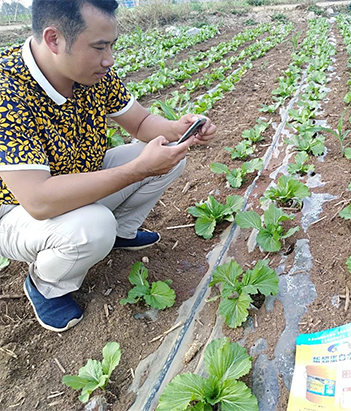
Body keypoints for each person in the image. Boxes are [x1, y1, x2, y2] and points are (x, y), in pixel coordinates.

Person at [0, 0, 216, 332]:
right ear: (54, 39)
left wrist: (179, 128)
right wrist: (140, 168)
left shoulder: (92, 70)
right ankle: (46, 284)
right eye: (100, 47)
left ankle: (119, 234)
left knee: (168, 152)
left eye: (111, 45)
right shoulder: (7, 88)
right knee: (92, 225)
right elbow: (39, 200)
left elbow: (141, 122)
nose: (109, 59)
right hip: (16, 210)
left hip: (78, 174)